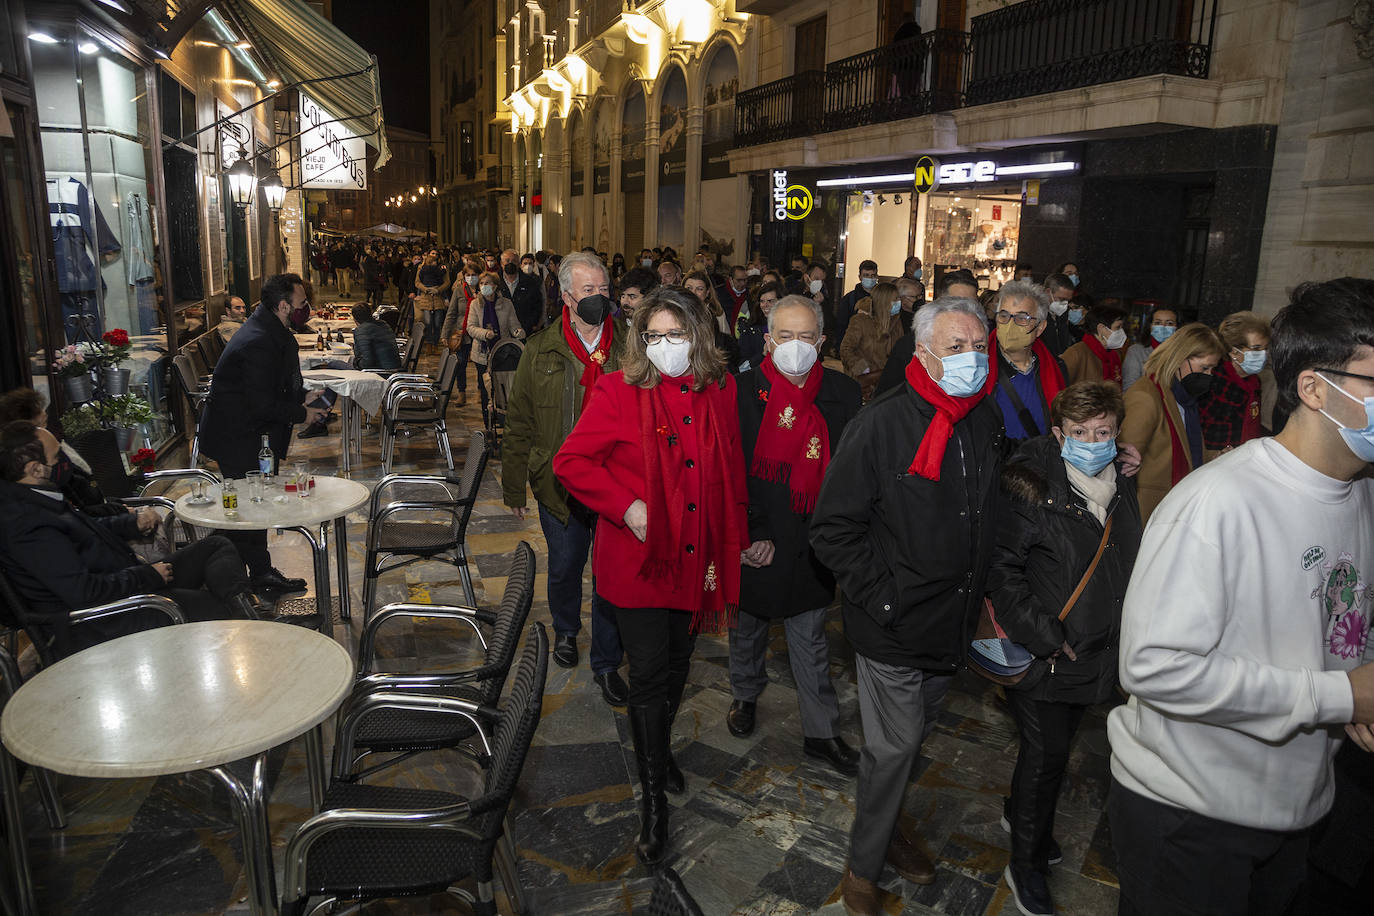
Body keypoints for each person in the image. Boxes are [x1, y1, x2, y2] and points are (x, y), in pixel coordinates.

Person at [1107, 277, 1374, 916]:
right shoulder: (1219, 502)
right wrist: (1341, 694)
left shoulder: (1362, 492)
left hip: (1299, 799)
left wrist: (1356, 696)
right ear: (1315, 388)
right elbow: (1154, 667)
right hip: (1191, 813)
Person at [811, 296, 1003, 914]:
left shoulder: (980, 416)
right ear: (922, 353)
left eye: (980, 346)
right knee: (893, 747)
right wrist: (884, 599)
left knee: (910, 743)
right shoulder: (881, 423)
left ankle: (890, 829)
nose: (972, 359)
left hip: (952, 624)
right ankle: (863, 868)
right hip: (892, 624)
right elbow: (833, 529)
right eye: (956, 347)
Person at [553, 287, 748, 867]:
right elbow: (571, 462)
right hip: (640, 562)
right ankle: (653, 803)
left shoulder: (719, 390)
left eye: (677, 335)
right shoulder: (616, 390)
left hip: (698, 557)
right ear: (641, 342)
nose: (666, 347)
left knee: (680, 665)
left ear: (699, 337)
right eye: (654, 337)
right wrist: (627, 506)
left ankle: (658, 753)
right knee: (650, 673)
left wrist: (740, 538)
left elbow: (732, 464)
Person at [986, 381, 1143, 916]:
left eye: (1103, 432)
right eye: (1079, 432)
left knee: (1053, 753)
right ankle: (1024, 863)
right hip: (1048, 655)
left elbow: (1124, 559)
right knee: (1046, 757)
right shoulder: (1029, 485)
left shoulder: (1121, 483)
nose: (1092, 441)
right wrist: (1045, 636)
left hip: (1096, 653)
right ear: (1058, 434)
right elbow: (1002, 571)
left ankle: (1023, 816)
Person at [728, 295, 862, 776]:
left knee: (811, 638)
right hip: (758, 534)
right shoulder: (740, 392)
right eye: (785, 336)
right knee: (748, 628)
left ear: (822, 341)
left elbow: (851, 473)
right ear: (767, 340)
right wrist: (749, 534)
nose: (796, 347)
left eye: (806, 337)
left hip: (812, 539)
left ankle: (821, 732)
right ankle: (744, 696)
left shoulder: (843, 394)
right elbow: (729, 471)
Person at [0, 422, 257, 656]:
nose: (65, 461)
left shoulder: (38, 498)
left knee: (216, 547)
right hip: (105, 619)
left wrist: (130, 523)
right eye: (58, 457)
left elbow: (84, 529)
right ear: (35, 469)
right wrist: (148, 576)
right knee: (218, 612)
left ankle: (248, 616)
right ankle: (252, 635)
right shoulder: (26, 524)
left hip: (129, 585)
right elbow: (84, 593)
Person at [503, 251, 626, 702]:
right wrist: (514, 481)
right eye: (589, 291)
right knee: (566, 566)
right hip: (559, 483)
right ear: (569, 296)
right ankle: (568, 630)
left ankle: (608, 658)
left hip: (616, 484)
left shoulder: (631, 347)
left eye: (604, 290)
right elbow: (520, 420)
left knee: (611, 575)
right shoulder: (542, 348)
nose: (599, 298)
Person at [199, 273, 326, 593]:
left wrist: (302, 397)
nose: (305, 309)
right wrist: (303, 413)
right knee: (247, 511)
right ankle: (231, 579)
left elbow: (269, 386)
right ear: (283, 306)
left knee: (253, 506)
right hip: (237, 435)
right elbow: (261, 405)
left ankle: (255, 573)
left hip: (248, 434)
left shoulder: (267, 329)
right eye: (301, 304)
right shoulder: (258, 339)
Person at [1119, 322, 1226, 522]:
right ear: (1179, 358)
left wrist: (1218, 455)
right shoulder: (1146, 397)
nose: (1208, 376)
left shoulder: (1185, 400)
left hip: (1173, 509)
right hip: (1146, 513)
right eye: (1204, 368)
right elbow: (1124, 463)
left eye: (1212, 369)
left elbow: (1188, 453)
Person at [985, 280, 1068, 448]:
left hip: (1041, 465)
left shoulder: (1056, 368)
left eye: (1022, 318)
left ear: (1040, 327)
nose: (1010, 324)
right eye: (1004, 315)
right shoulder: (979, 368)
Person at [874, 270, 980, 397]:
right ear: (939, 302)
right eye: (956, 304)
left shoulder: (982, 348)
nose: (965, 311)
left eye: (971, 304)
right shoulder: (910, 345)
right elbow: (887, 395)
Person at [1200, 310, 1271, 456]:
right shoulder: (1214, 378)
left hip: (1244, 455)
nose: (1263, 355)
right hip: (1213, 458)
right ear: (1233, 352)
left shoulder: (1254, 381)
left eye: (1266, 349)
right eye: (1256, 348)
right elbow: (1198, 424)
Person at [466, 271, 523, 426]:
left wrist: (518, 332)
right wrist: (485, 334)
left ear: (495, 286)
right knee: (486, 391)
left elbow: (514, 325)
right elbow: (470, 328)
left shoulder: (506, 304)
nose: (485, 287)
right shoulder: (475, 304)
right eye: (482, 284)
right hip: (482, 354)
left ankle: (503, 419)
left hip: (501, 354)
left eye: (488, 283)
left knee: (502, 389)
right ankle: (488, 424)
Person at [840, 281, 902, 400]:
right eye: (896, 299)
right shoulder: (861, 321)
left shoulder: (896, 322)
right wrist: (861, 368)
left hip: (887, 385)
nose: (899, 302)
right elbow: (845, 349)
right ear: (884, 301)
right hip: (865, 386)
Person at [440, 257, 481, 408]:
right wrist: (445, 334)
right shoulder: (458, 291)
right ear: (464, 276)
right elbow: (451, 313)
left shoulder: (483, 290)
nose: (471, 277)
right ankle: (461, 392)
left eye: (474, 274)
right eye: (468, 275)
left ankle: (480, 390)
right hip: (461, 333)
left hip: (478, 331)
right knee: (461, 363)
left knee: (479, 364)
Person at [1060, 303, 1128, 386]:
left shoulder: (1115, 354)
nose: (1122, 331)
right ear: (1101, 328)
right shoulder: (1077, 353)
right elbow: (1058, 384)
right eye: (1118, 327)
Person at [1121, 304, 1178, 391]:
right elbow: (1129, 387)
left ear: (1177, 327)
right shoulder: (1136, 351)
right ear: (1150, 326)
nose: (1163, 327)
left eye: (1169, 323)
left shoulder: (1182, 353)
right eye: (1158, 323)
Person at [736, 280, 782, 373]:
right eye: (762, 301)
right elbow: (741, 368)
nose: (765, 305)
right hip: (759, 382)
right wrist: (763, 354)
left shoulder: (792, 328)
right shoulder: (750, 329)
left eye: (770, 301)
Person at [836, 259, 880, 355]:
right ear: (860, 277)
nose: (870, 278)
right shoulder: (849, 299)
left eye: (873, 276)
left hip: (878, 350)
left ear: (877, 277)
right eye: (866, 275)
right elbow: (841, 327)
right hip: (856, 351)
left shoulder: (882, 298)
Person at [350, 303, 401, 371]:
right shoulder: (384, 324)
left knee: (334, 363)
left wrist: (355, 363)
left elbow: (367, 363)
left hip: (380, 372)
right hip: (393, 367)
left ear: (354, 318)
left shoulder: (361, 330)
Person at [1040, 273, 1081, 356]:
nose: (1065, 304)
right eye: (1061, 299)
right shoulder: (1036, 314)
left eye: (1068, 300)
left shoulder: (1062, 314)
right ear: (1048, 292)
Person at [414, 250, 449, 345]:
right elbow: (417, 282)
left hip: (438, 297)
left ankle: (435, 343)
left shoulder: (441, 268)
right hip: (426, 297)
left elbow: (446, 282)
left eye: (436, 255)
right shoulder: (421, 267)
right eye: (432, 254)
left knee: (437, 323)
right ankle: (429, 343)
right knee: (428, 322)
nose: (434, 256)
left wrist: (438, 290)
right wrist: (426, 289)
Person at [507, 256, 545, 336]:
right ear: (520, 265)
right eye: (525, 263)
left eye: (530, 263)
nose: (528, 266)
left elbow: (540, 302)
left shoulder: (537, 280)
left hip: (528, 322)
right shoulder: (517, 279)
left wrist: (538, 321)